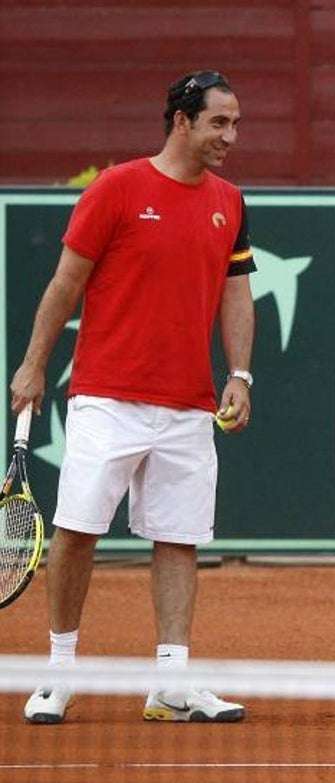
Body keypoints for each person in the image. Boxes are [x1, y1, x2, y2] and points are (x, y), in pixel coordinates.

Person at [11, 70, 256, 724]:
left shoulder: (230, 201)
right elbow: (66, 283)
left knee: (178, 538)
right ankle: (58, 673)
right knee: (77, 532)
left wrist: (241, 373)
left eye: (235, 124)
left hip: (189, 404)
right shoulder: (116, 189)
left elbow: (237, 289)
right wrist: (34, 363)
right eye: (219, 123)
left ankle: (171, 682)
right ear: (182, 120)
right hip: (107, 397)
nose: (230, 136)